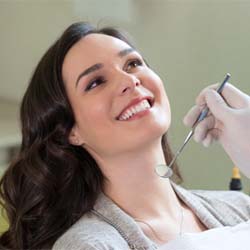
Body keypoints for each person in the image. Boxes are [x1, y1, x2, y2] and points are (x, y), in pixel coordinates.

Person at [0, 22, 249, 250]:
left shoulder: (239, 207)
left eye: (133, 64)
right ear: (70, 132)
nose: (129, 80)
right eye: (96, 82)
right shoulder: (89, 245)